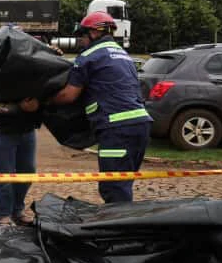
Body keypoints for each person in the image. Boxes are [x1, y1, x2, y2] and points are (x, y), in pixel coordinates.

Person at [50, 11, 151, 203]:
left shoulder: (88, 56)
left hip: (117, 129)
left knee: (114, 188)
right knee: (123, 183)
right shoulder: (124, 55)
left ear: (94, 33)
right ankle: (124, 224)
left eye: (82, 35)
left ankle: (120, 230)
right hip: (141, 126)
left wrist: (45, 101)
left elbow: (69, 95)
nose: (80, 40)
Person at [0, 96, 40, 226]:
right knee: (5, 174)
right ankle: (4, 215)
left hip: (27, 130)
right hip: (2, 130)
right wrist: (21, 106)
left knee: (28, 172)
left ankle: (17, 211)